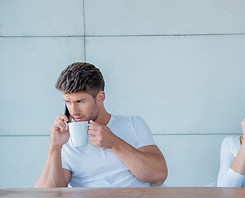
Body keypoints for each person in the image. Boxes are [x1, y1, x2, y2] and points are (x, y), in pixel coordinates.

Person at [35, 62, 167, 188]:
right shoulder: (65, 137)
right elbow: (47, 195)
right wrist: (55, 147)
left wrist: (115, 143)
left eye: (80, 101)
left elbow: (159, 175)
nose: (73, 111)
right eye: (68, 102)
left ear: (100, 98)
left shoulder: (133, 124)